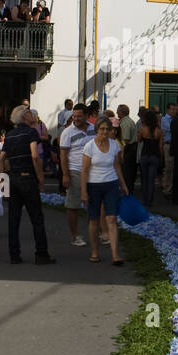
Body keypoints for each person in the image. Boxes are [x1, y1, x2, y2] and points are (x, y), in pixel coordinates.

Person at [0, 104, 55, 265]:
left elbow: (2, 158)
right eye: (30, 113)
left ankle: (14, 255)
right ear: (24, 117)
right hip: (28, 178)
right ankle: (41, 254)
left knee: (13, 218)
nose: (34, 116)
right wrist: (41, 178)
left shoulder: (9, 135)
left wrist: (3, 181)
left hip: (13, 178)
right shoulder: (31, 132)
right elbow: (34, 156)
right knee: (36, 217)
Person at [81, 116, 128, 264]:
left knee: (111, 218)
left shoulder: (114, 145)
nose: (105, 131)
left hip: (111, 184)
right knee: (94, 220)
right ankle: (95, 252)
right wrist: (84, 191)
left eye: (108, 129)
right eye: (102, 129)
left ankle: (115, 254)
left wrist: (123, 184)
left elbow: (117, 166)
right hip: (94, 185)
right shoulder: (89, 146)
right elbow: (84, 170)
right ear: (97, 130)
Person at [59, 104, 95, 245]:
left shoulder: (94, 129)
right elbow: (63, 155)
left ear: (87, 116)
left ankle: (93, 231)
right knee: (73, 205)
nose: (76, 119)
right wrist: (65, 175)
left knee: (93, 204)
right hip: (75, 170)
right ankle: (75, 235)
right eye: (74, 116)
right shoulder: (68, 132)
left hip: (93, 171)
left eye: (79, 116)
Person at [136, 108, 163, 208]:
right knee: (151, 179)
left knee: (144, 178)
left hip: (145, 155)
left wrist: (140, 134)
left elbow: (139, 141)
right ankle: (150, 200)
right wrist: (161, 158)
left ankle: (144, 200)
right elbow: (160, 147)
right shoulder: (159, 131)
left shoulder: (142, 129)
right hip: (155, 155)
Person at [116, 103, 138, 194]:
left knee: (127, 175)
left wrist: (122, 154)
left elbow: (125, 140)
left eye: (118, 112)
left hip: (128, 151)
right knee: (129, 175)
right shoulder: (130, 121)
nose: (117, 113)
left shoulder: (125, 123)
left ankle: (127, 194)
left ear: (121, 112)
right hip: (132, 150)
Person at [160, 102, 173, 197]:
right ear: (168, 110)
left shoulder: (175, 119)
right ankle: (166, 187)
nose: (174, 111)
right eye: (173, 109)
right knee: (168, 167)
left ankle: (171, 186)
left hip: (174, 145)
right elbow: (171, 129)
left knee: (172, 167)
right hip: (168, 145)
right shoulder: (164, 119)